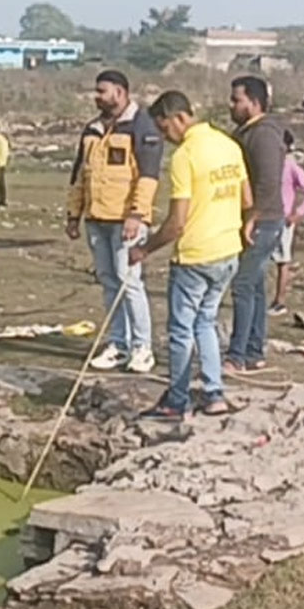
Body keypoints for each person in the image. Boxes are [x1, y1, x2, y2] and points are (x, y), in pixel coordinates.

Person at [129, 90, 249, 421]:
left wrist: (144, 249)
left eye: (164, 127)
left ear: (178, 117)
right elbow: (246, 198)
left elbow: (176, 223)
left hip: (196, 257)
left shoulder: (186, 156)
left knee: (182, 329)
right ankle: (214, 393)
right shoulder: (228, 145)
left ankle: (177, 399)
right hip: (228, 251)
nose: (165, 137)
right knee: (205, 322)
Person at [66, 70, 162, 373]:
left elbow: (148, 176)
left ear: (120, 93)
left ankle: (142, 347)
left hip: (126, 221)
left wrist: (137, 214)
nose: (97, 96)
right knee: (109, 282)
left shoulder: (142, 126)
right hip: (97, 220)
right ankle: (118, 343)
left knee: (130, 282)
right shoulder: (92, 129)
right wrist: (73, 214)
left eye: (102, 91)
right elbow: (80, 175)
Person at [225, 75, 285, 374]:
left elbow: (268, 182)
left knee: (243, 285)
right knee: (256, 287)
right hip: (259, 219)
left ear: (254, 102)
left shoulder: (263, 135)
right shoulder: (247, 132)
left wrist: (252, 218)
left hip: (262, 220)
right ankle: (253, 351)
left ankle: (237, 355)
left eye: (237, 99)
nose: (231, 105)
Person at [269, 130, 304, 316]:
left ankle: (280, 301)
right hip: (266, 218)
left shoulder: (291, 166)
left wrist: (297, 214)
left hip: (283, 220)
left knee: (283, 261)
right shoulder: (271, 164)